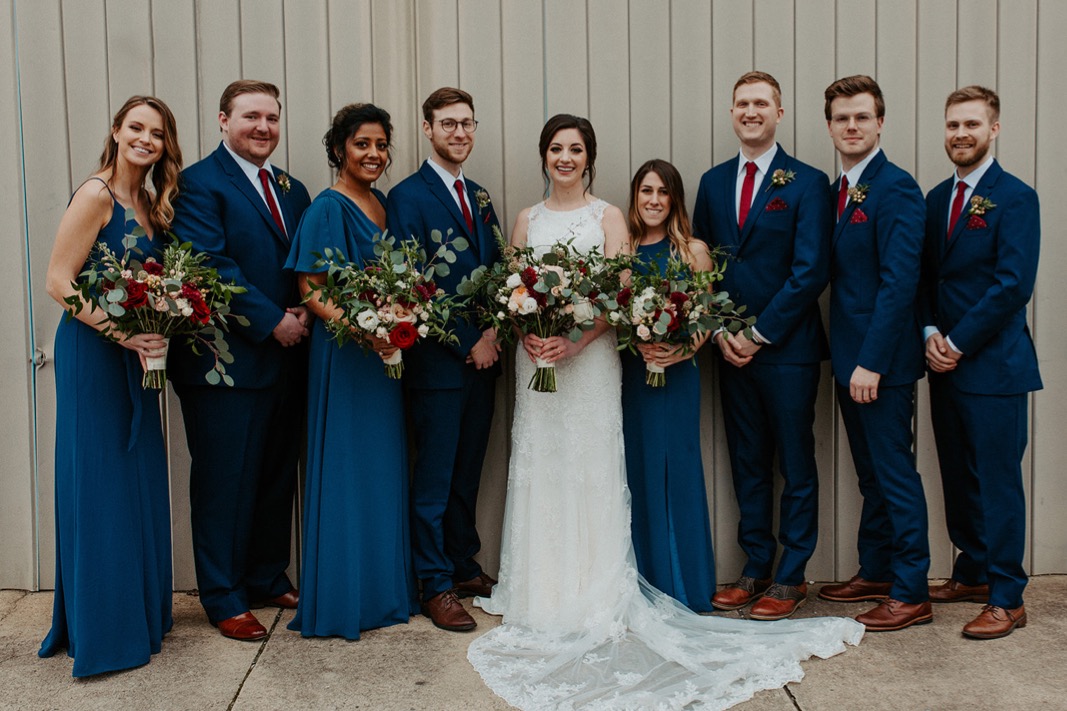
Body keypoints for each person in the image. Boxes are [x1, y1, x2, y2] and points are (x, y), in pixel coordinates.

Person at [468, 114, 863, 710]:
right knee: (543, 469)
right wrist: (529, 330)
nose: (565, 157)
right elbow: (515, 287)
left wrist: (574, 341)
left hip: (590, 359)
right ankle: (541, 591)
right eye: (556, 148)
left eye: (576, 149)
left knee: (598, 470)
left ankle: (608, 588)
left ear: (591, 158)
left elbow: (615, 299)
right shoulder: (525, 218)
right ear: (543, 155)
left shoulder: (609, 220)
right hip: (536, 361)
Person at [39, 96, 181, 676]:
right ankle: (105, 630)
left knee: (137, 481)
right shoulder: (95, 195)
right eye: (136, 128)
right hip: (96, 356)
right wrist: (124, 333)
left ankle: (140, 614)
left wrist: (161, 326)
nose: (145, 139)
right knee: (101, 481)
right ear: (117, 132)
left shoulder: (149, 202)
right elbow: (57, 281)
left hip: (139, 355)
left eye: (157, 132)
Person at [169, 80, 312, 641]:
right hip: (223, 364)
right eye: (251, 116)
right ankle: (224, 595)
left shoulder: (291, 187)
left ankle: (264, 575)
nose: (263, 127)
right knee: (225, 481)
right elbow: (208, 264)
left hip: (288, 358)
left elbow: (303, 261)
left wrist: (305, 309)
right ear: (224, 120)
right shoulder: (198, 185)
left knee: (274, 475)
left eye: (272, 118)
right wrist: (272, 319)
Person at [693, 71, 832, 620]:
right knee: (748, 461)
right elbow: (702, 263)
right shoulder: (712, 181)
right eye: (742, 104)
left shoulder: (806, 181)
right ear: (732, 113)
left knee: (795, 463)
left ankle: (792, 575)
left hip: (788, 349)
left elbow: (810, 270)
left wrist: (758, 332)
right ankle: (755, 568)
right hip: (730, 349)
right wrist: (723, 329)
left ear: (778, 113)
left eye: (761, 104)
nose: (751, 112)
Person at [285, 103, 417, 639]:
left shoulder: (382, 203)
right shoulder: (327, 208)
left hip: (385, 356)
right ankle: (343, 596)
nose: (374, 154)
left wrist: (401, 316)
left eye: (381, 145)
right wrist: (364, 328)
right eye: (362, 144)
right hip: (346, 356)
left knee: (380, 466)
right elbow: (310, 290)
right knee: (345, 468)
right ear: (340, 148)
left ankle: (382, 592)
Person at [919, 86, 1041, 639]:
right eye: (952, 125)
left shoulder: (1016, 197)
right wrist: (929, 333)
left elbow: (1012, 285)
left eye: (971, 124)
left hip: (994, 366)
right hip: (943, 363)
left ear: (994, 129)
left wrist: (958, 341)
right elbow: (928, 278)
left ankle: (1008, 595)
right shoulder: (936, 198)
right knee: (958, 476)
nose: (960, 134)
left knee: (996, 481)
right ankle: (971, 571)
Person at [385, 87, 502, 632]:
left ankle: (462, 562)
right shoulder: (406, 197)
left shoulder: (479, 196)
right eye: (448, 124)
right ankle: (433, 583)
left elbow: (499, 271)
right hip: (437, 366)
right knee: (433, 477)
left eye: (467, 123)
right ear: (428, 130)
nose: (460, 132)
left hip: (486, 361)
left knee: (467, 472)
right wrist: (467, 340)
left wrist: (497, 328)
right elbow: (412, 284)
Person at [818, 75, 931, 632]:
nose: (852, 126)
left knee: (894, 474)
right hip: (847, 359)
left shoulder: (897, 188)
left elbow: (899, 282)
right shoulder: (840, 191)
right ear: (830, 126)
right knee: (869, 475)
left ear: (880, 122)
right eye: (842, 118)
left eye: (862, 116)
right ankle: (878, 569)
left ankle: (911, 591)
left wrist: (874, 362)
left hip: (878, 364)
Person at [621, 159, 717, 612]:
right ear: (636, 197)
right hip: (634, 377)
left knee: (677, 472)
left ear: (674, 199)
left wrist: (681, 350)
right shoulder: (623, 250)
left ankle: (686, 586)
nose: (654, 200)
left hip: (678, 378)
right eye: (646, 191)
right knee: (638, 472)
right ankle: (644, 585)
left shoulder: (692, 251)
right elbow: (614, 315)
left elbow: (705, 317)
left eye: (662, 192)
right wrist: (637, 342)